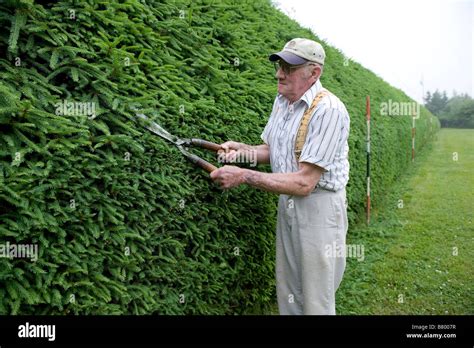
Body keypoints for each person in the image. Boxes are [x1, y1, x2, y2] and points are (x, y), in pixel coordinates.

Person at [210, 38, 350, 315]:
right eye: (279, 65)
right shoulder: (283, 101)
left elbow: (305, 182)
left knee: (315, 300)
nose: (279, 73)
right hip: (288, 202)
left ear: (314, 73)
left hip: (319, 209)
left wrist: (244, 176)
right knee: (289, 293)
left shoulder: (328, 111)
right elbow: (273, 151)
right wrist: (242, 152)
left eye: (289, 67)